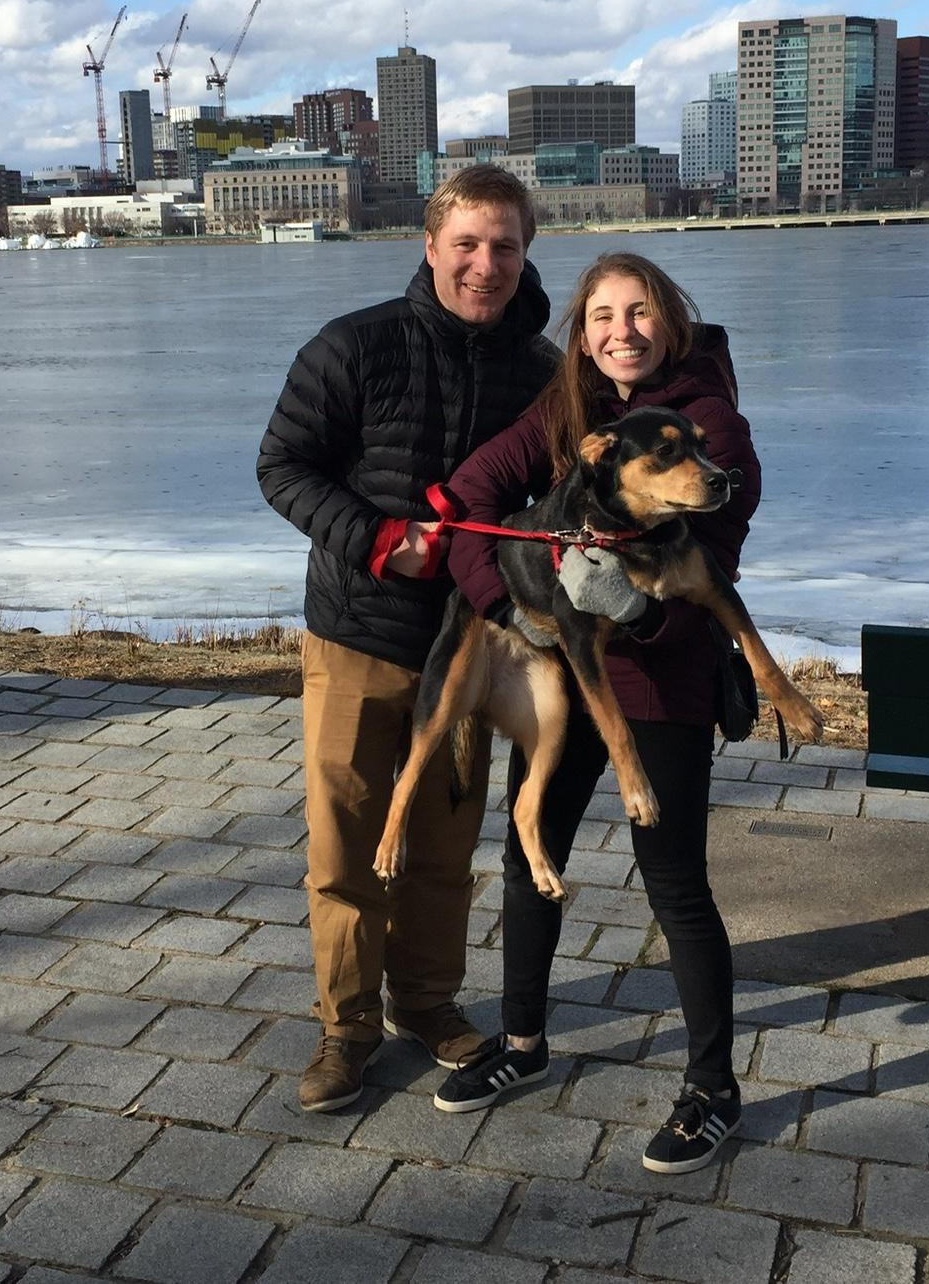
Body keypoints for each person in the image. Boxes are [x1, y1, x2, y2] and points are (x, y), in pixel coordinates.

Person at [430, 251, 760, 1175]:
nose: (623, 330)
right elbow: (469, 499)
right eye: (603, 315)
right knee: (533, 851)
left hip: (663, 684)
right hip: (564, 673)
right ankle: (524, 1041)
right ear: (581, 333)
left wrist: (636, 611)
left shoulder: (709, 425)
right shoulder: (567, 414)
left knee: (673, 880)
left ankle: (712, 1090)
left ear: (674, 322)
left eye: (642, 311)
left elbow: (714, 569)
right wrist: (511, 608)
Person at [256, 166, 561, 1113]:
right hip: (358, 633)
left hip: (470, 651)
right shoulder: (355, 346)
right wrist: (381, 540)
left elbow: (554, 502)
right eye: (467, 244)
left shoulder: (548, 374)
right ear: (429, 247)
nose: (485, 265)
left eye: (504, 246)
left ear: (525, 254)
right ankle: (345, 1029)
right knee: (346, 844)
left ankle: (426, 1004)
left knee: (440, 845)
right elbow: (282, 466)